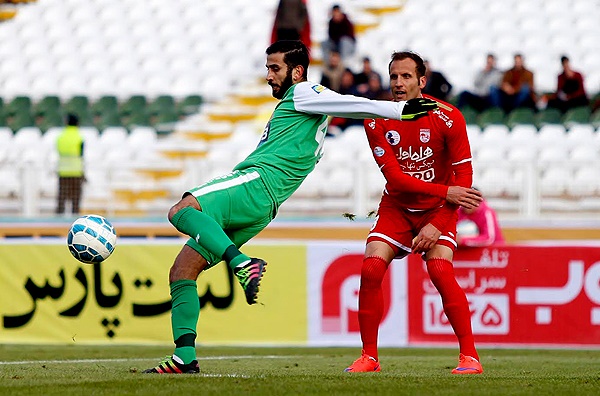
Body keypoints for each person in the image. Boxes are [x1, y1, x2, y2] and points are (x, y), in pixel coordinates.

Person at [143, 40, 449, 374]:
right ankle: (184, 357)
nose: (269, 76)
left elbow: (351, 103)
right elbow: (345, 107)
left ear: (297, 71)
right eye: (267, 69)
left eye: (275, 68)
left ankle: (241, 264)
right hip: (265, 206)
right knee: (182, 270)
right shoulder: (304, 106)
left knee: (181, 210)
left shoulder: (304, 92)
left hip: (255, 183)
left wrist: (400, 110)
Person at [345, 51, 484, 375]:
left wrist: (439, 221)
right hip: (397, 207)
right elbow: (395, 178)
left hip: (438, 210)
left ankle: (470, 357)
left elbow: (463, 180)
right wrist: (445, 190)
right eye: (394, 76)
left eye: (406, 76)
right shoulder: (376, 117)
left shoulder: (448, 117)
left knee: (439, 270)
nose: (398, 83)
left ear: (422, 81)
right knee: (370, 269)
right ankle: (369, 357)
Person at [56, 113, 85, 215]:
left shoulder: (61, 137)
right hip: (76, 171)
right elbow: (81, 155)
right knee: (75, 200)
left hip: (63, 171)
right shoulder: (79, 137)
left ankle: (58, 221)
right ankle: (76, 222)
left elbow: (59, 152)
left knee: (61, 198)